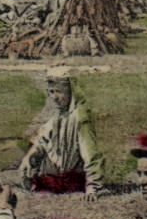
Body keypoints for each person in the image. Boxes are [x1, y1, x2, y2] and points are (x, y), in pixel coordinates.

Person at [17, 68, 102, 198]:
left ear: (70, 92)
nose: (55, 97)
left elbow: (90, 154)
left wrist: (92, 187)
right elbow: (42, 142)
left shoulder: (80, 117)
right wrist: (29, 160)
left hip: (73, 178)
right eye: (51, 92)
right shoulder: (58, 115)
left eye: (59, 92)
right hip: (57, 176)